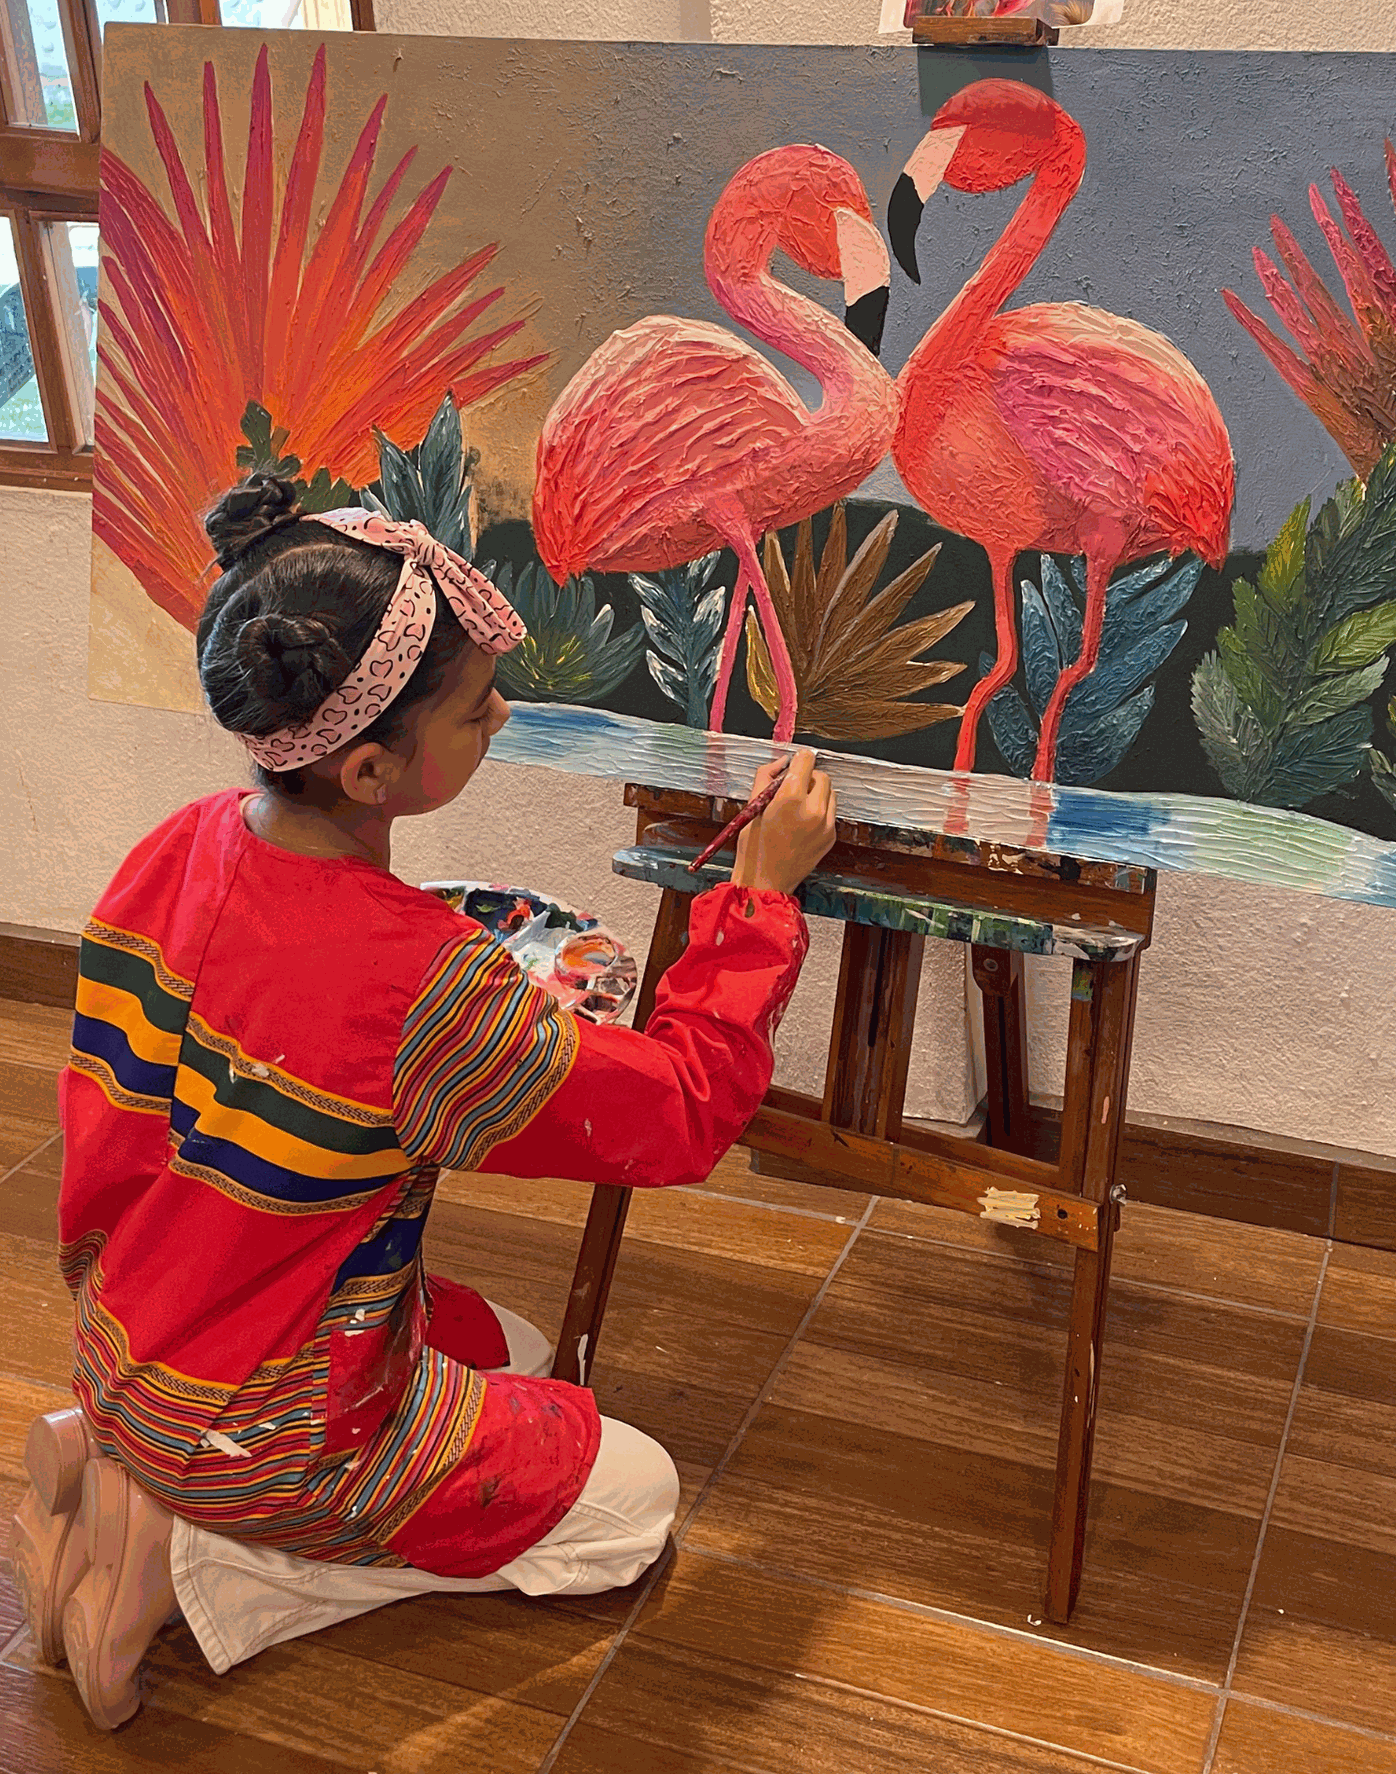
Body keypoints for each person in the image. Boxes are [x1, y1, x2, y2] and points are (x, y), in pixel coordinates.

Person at [12, 477, 834, 1731]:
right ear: (370, 762)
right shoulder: (426, 990)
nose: (503, 711)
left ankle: (120, 1448)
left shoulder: (180, 843)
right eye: (474, 706)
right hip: (281, 1417)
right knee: (638, 1505)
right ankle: (195, 1561)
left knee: (523, 1354)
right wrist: (761, 898)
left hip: (135, 1327)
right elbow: (680, 1111)